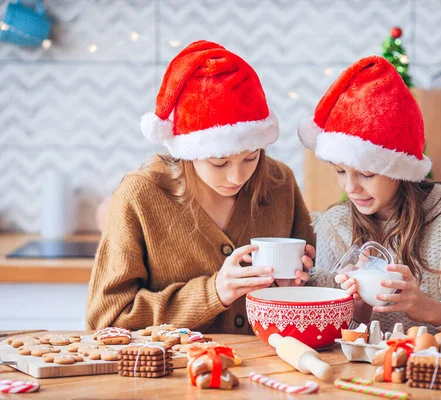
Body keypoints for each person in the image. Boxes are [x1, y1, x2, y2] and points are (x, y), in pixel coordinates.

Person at [86, 40, 315, 334]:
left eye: (251, 157)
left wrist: (294, 289)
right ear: (188, 153)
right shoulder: (139, 196)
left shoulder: (279, 183)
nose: (237, 177)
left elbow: (315, 292)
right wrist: (212, 293)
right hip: (171, 376)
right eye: (219, 163)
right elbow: (105, 320)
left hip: (267, 371)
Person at [300, 55, 441, 335]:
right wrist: (358, 310)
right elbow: (324, 334)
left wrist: (429, 309)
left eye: (366, 174)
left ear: (398, 167)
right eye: (340, 171)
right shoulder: (335, 228)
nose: (349, 188)